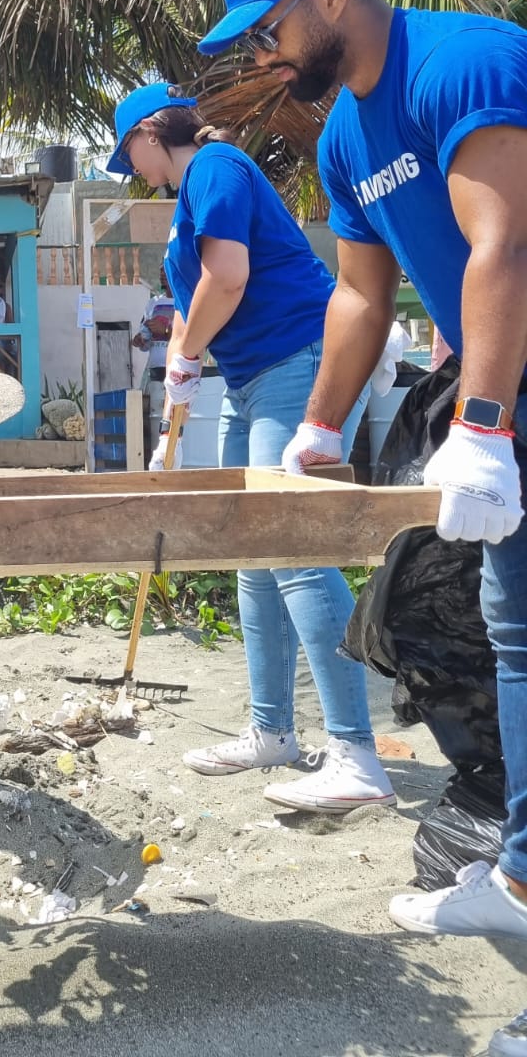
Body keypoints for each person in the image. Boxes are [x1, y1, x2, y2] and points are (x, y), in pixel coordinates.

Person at [197, 0, 527, 943]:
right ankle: (519, 877)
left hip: (506, 388)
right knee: (511, 629)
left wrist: (482, 423)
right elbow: (358, 297)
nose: (263, 53)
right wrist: (321, 423)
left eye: (271, 28)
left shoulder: (463, 64)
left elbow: (504, 244)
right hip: (508, 388)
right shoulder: (346, 133)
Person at [107, 80, 390, 812]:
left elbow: (226, 278)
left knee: (293, 547)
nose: (132, 168)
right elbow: (210, 285)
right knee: (253, 556)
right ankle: (273, 733)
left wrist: (183, 356)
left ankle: (357, 753)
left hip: (300, 365)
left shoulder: (213, 167)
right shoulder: (195, 189)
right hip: (252, 379)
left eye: (129, 152)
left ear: (149, 134)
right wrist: (191, 357)